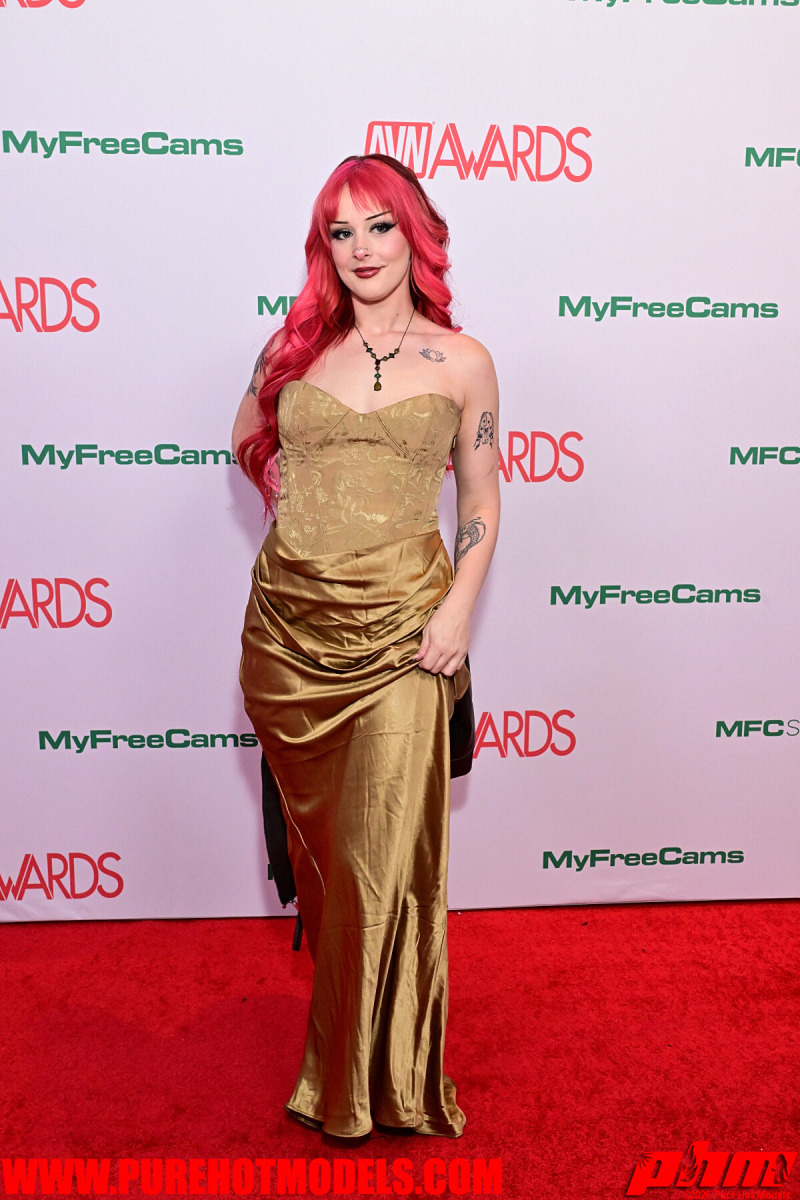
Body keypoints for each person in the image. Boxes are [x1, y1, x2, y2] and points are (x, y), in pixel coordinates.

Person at [233, 153, 500, 1140]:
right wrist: (302, 506)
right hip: (289, 633)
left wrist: (456, 609)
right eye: (339, 232)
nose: (360, 248)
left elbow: (482, 500)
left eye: (378, 226)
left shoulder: (462, 361)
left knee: (382, 865)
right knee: (329, 872)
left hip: (405, 639)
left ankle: (368, 1083)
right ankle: (348, 1056)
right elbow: (247, 436)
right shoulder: (292, 348)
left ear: (414, 233)